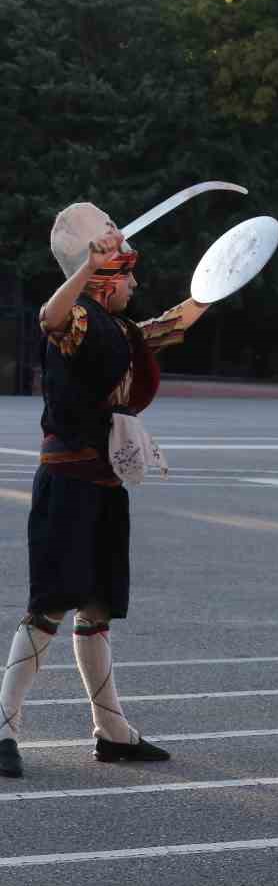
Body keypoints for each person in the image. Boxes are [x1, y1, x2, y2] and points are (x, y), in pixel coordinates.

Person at [0, 204, 210, 780]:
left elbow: (158, 332)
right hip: (67, 482)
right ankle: (2, 725)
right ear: (97, 277)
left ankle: (111, 729)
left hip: (103, 482)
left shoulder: (114, 327)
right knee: (48, 607)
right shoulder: (78, 319)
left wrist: (213, 287)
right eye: (124, 273)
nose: (134, 283)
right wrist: (84, 272)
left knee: (96, 611)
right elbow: (51, 316)